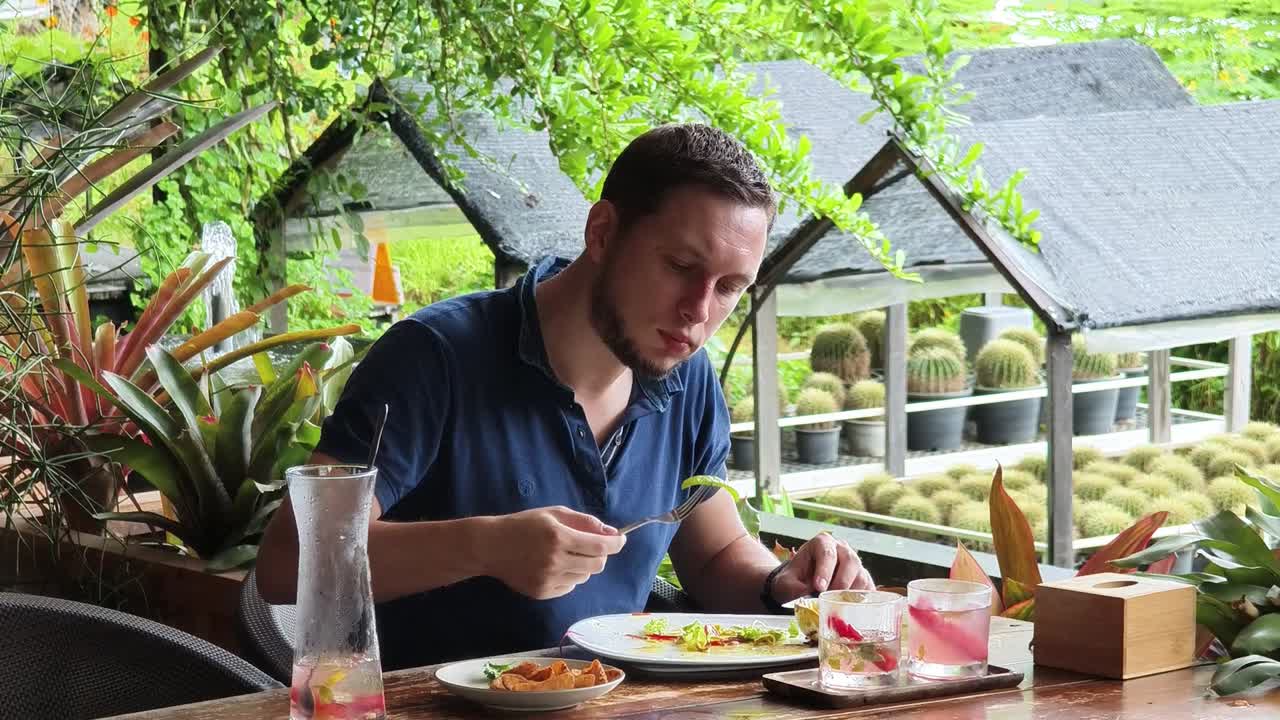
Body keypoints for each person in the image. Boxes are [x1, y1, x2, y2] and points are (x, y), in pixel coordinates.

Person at [255, 122, 875, 670]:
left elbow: (711, 555)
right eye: (681, 266)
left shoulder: (687, 378)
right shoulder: (433, 356)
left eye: (729, 288)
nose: (699, 311)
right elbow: (290, 562)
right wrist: (487, 547)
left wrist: (782, 586)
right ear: (602, 232)